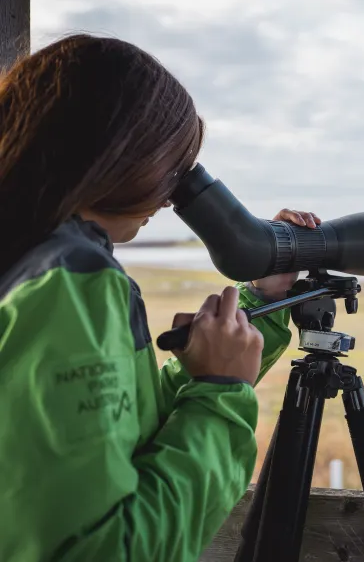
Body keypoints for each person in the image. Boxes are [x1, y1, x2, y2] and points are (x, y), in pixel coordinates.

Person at [0, 34, 323, 562]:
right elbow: (105, 550)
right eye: (172, 168)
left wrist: (252, 317)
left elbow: (111, 440)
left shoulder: (29, 258)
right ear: (118, 153)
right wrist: (221, 393)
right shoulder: (70, 283)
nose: (171, 196)